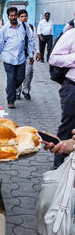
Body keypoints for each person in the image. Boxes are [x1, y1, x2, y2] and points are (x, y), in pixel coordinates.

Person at [0, 7, 34, 109]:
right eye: (11, 16)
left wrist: (31, 55)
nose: (14, 17)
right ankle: (11, 100)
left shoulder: (24, 26)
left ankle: (9, 89)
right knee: (11, 78)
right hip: (8, 58)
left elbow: (30, 41)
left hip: (21, 58)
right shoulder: (4, 29)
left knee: (21, 78)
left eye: (15, 15)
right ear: (8, 17)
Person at [48, 26, 75, 168]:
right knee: (68, 125)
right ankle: (58, 166)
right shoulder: (72, 34)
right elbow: (53, 59)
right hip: (72, 87)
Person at [16, 9, 41, 101]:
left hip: (29, 55)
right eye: (22, 16)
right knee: (18, 74)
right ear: (18, 18)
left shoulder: (31, 27)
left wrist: (38, 52)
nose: (24, 18)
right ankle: (17, 92)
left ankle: (26, 91)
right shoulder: (15, 27)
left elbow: (35, 40)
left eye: (25, 16)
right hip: (18, 55)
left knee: (28, 73)